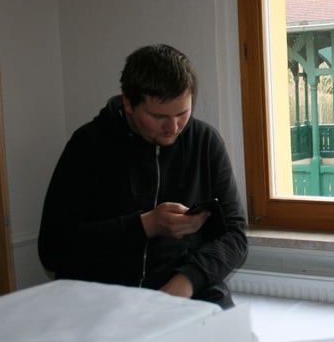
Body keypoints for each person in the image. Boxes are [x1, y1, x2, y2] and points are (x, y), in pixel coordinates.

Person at [39, 44, 247, 308]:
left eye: (182, 113)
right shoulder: (88, 145)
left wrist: (187, 281)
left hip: (190, 293)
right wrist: (146, 225)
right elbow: (53, 250)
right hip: (104, 302)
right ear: (128, 104)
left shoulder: (205, 141)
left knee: (230, 329)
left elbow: (235, 236)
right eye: (158, 116)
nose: (173, 127)